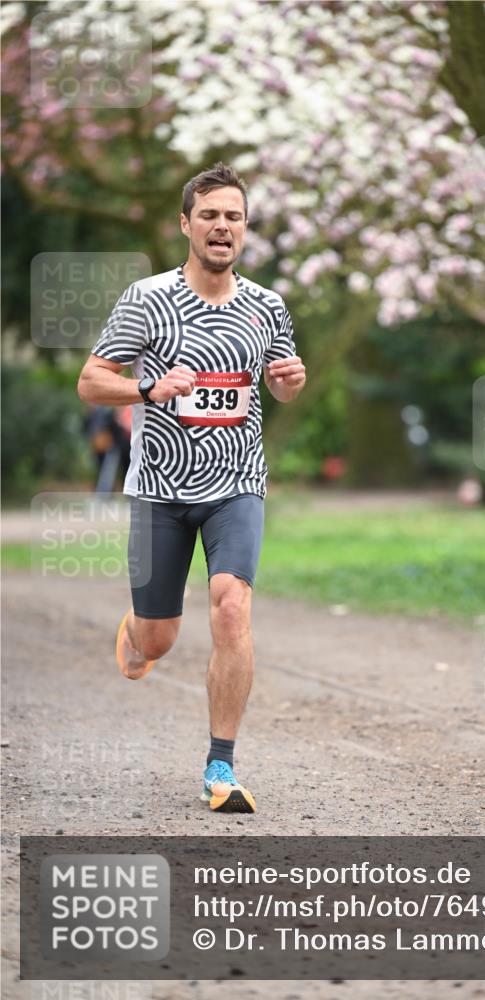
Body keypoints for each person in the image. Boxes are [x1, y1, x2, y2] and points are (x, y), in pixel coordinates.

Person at [77, 163, 306, 813]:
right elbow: (92, 382)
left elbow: (282, 383)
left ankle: (220, 767)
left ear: (244, 228)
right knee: (160, 638)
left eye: (233, 216)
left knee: (232, 605)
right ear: (186, 224)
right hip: (159, 489)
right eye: (209, 215)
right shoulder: (148, 299)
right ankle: (138, 633)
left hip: (236, 483)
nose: (221, 226)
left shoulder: (267, 307)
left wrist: (288, 383)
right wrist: (148, 388)